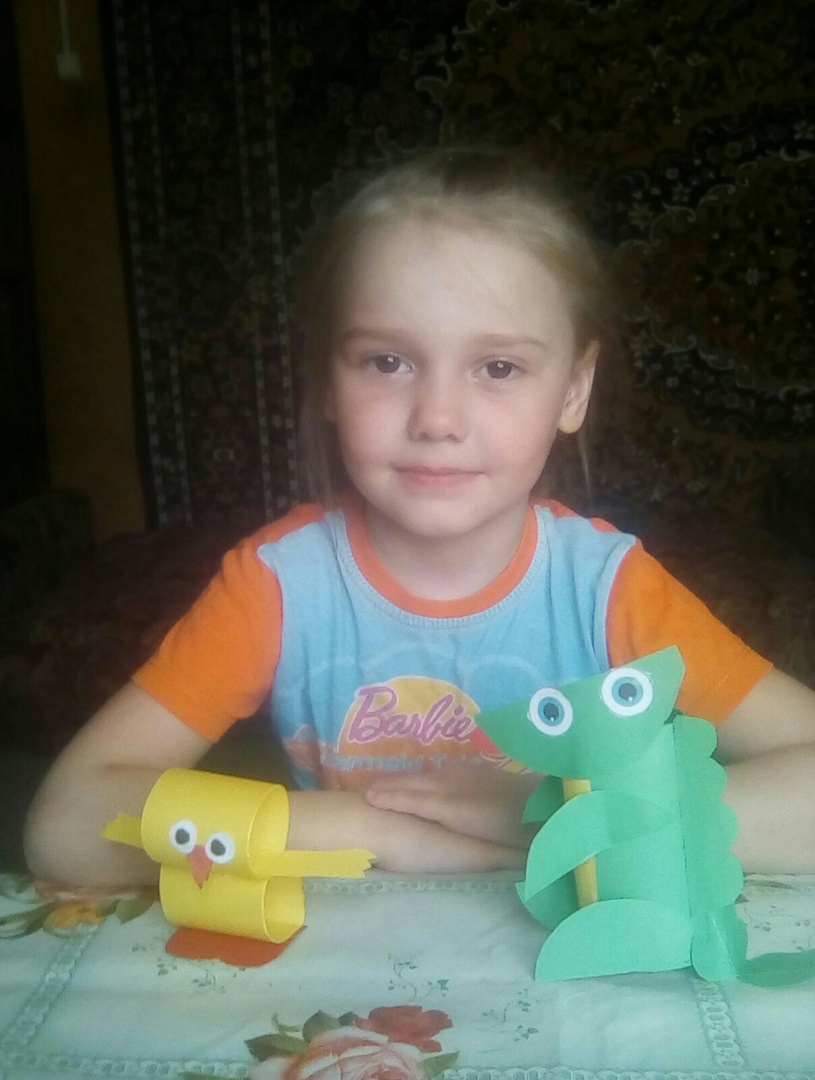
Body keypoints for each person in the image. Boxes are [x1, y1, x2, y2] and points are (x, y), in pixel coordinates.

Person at [24, 148, 815, 889]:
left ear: (573, 390)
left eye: (497, 367)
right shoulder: (277, 585)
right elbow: (65, 822)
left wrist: (560, 818)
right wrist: (368, 831)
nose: (437, 418)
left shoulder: (609, 591)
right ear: (327, 383)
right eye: (387, 361)